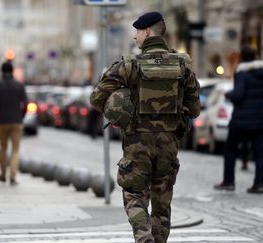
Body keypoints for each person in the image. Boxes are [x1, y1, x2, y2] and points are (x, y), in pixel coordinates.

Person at [90, 11, 200, 243]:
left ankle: (143, 238)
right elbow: (195, 109)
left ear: (147, 31)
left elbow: (97, 98)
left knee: (134, 195)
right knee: (162, 202)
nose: (136, 37)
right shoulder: (183, 65)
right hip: (169, 143)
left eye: (137, 32)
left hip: (137, 142)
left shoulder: (129, 65)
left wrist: (119, 110)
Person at [214, 46, 263, 194]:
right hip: (259, 119)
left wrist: (228, 94)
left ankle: (229, 181)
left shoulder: (242, 72)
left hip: (241, 119)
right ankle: (259, 184)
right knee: (259, 152)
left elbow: (239, 94)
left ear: (242, 58)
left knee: (230, 150)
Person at [0, 62, 27, 185]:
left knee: (2, 148)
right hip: (17, 121)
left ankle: (2, 174)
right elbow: (25, 104)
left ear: (2, 71)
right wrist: (21, 116)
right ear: (12, 71)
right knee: (15, 149)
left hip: (3, 121)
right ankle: (12, 175)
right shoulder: (19, 86)